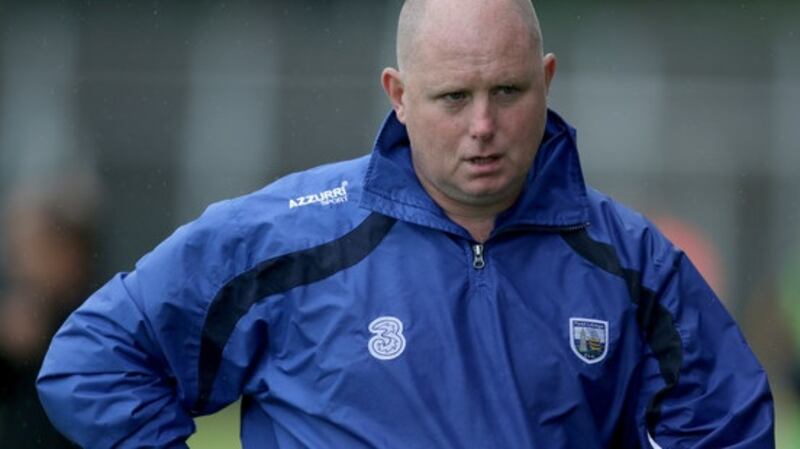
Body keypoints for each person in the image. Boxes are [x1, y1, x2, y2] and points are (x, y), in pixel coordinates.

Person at [37, 0, 774, 447]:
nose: (483, 125)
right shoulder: (288, 241)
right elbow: (92, 358)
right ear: (398, 94)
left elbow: (728, 424)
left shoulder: (632, 264)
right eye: (454, 97)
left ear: (547, 80)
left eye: (508, 91)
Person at [0, 176, 97, 449]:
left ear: (68, 252)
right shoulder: (22, 317)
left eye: (31, 250)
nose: (17, 266)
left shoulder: (96, 321)